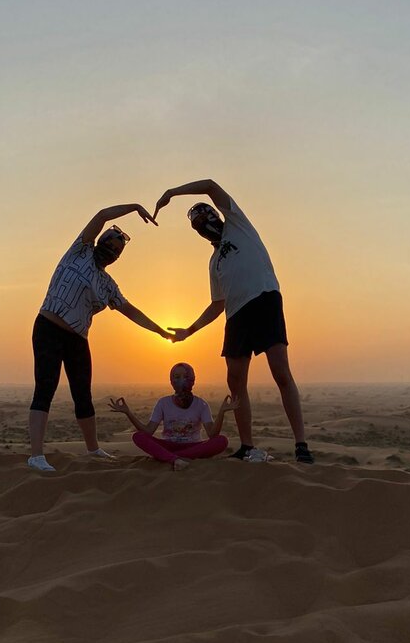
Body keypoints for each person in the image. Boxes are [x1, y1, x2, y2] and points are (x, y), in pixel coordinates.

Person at [153, 178, 314, 463]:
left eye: (206, 215)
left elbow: (210, 186)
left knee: (280, 372)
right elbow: (218, 304)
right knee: (235, 380)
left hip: (264, 299)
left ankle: (301, 445)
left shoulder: (237, 224)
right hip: (236, 315)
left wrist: (172, 193)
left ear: (215, 213)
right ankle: (247, 446)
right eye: (198, 223)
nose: (204, 222)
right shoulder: (214, 261)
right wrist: (189, 330)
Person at [28, 204, 172, 472]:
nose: (112, 252)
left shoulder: (107, 284)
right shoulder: (79, 251)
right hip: (48, 328)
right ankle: (37, 455)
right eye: (110, 245)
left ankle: (93, 448)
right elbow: (102, 215)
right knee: (45, 388)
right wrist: (134, 208)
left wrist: (160, 331)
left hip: (77, 339)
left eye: (117, 251)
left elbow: (130, 310)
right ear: (100, 241)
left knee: (82, 393)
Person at [108, 362, 237, 471]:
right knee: (138, 436)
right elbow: (148, 431)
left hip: (193, 446)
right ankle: (173, 458)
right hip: (168, 445)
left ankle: (170, 457)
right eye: (177, 377)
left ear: (192, 379)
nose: (181, 380)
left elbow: (212, 434)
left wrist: (222, 412)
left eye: (185, 376)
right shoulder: (163, 403)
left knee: (222, 441)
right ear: (171, 380)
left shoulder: (201, 404)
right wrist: (128, 412)